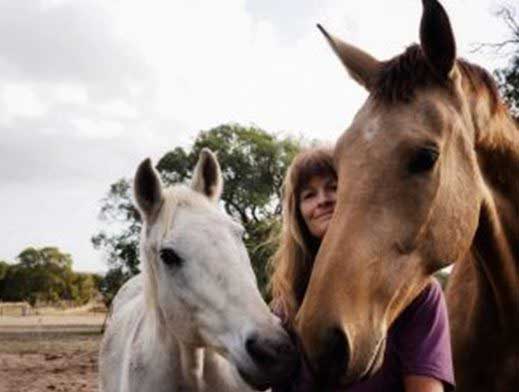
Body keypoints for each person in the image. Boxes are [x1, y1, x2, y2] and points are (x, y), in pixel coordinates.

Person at [269, 147, 455, 392]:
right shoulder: (285, 308)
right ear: (298, 215)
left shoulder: (417, 295)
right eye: (309, 195)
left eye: (333, 187)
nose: (323, 199)